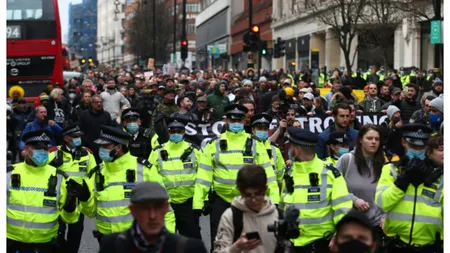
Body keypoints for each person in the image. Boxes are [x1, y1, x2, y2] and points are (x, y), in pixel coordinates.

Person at [193, 104, 280, 250]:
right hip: (220, 202)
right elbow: (204, 176)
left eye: (239, 120)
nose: (236, 123)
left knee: (251, 245)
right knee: (220, 244)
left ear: (245, 121)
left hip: (248, 203)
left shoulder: (255, 144)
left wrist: (275, 200)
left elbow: (268, 175)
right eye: (233, 120)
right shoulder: (213, 144)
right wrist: (198, 203)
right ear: (226, 120)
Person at [79, 126, 176, 243]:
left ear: (118, 147)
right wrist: (85, 200)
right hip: (107, 241)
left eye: (105, 146)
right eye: (100, 146)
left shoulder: (143, 169)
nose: (101, 149)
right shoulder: (98, 172)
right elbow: (91, 212)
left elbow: (163, 208)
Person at [7, 130, 79, 253]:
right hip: (11, 243)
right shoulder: (9, 173)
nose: (43, 152)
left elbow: (70, 219)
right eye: (37, 148)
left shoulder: (60, 177)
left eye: (46, 148)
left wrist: (71, 208)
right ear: (26, 149)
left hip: (45, 245)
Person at [375, 124, 443, 253]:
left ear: (427, 147)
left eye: (421, 147)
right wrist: (402, 182)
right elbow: (382, 203)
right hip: (397, 245)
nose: (417, 150)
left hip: (430, 246)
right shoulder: (391, 170)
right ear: (403, 142)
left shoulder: (439, 175)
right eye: (413, 146)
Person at [283, 127, 352, 253]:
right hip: (293, 245)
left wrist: (340, 236)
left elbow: (343, 209)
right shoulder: (289, 173)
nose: (289, 150)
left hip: (322, 245)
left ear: (297, 150)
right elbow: (284, 208)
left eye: (290, 147)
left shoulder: (330, 173)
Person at [99, 181, 207, 253]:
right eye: (145, 208)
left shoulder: (191, 248)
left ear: (166, 208)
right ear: (133, 210)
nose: (152, 216)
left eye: (158, 207)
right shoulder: (112, 246)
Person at [149, 116, 202, 239]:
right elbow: (150, 177)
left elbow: (203, 176)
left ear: (184, 132)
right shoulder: (157, 151)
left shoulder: (195, 150)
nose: (176, 134)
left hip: (188, 203)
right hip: (165, 204)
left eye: (179, 131)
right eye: (173, 131)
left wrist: (201, 201)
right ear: (168, 132)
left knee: (191, 244)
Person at [48, 124, 97, 253]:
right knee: (58, 232)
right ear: (66, 138)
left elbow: (93, 176)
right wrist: (52, 165)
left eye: (79, 136)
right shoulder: (54, 153)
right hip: (60, 200)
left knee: (76, 233)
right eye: (75, 136)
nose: (78, 139)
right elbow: (43, 173)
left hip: (79, 200)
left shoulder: (87, 153)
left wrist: (87, 194)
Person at [335, 125, 385, 241]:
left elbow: (389, 194)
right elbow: (333, 188)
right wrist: (353, 199)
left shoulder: (384, 163)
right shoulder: (346, 160)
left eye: (377, 139)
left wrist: (385, 217)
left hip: (377, 226)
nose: (373, 142)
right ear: (361, 139)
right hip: (351, 225)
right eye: (369, 138)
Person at [213, 165, 279, 253]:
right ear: (240, 191)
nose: (253, 200)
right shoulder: (231, 217)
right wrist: (236, 247)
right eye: (248, 195)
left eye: (258, 194)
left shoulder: (278, 215)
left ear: (265, 189)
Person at [251, 114, 285, 187]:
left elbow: (281, 177)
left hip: (272, 193)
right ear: (253, 130)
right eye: (259, 128)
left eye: (265, 129)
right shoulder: (247, 147)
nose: (263, 131)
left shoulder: (275, 149)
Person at [79, 95, 113, 164]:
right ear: (92, 103)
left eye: (100, 102)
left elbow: (110, 130)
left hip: (102, 147)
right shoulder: (84, 114)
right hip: (87, 147)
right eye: (96, 102)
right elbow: (81, 129)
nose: (99, 104)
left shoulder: (106, 115)